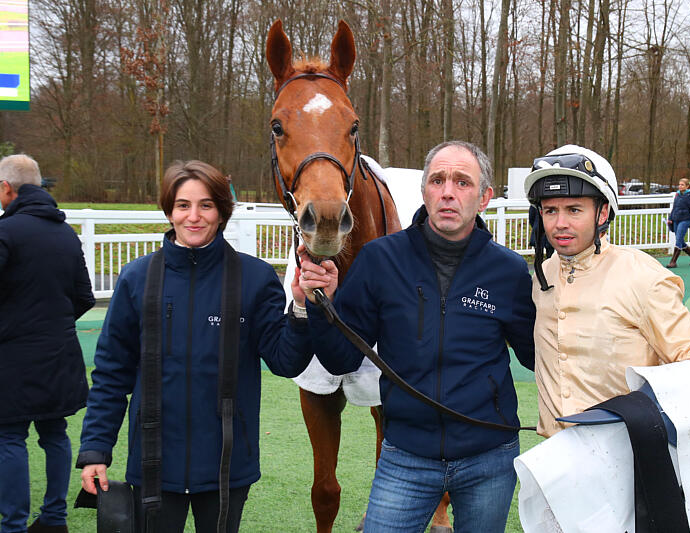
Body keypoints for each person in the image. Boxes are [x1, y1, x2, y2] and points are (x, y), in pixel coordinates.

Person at [297, 140, 535, 533]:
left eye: (462, 182)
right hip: (405, 456)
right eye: (438, 180)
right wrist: (323, 304)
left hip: (489, 458)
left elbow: (533, 354)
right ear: (424, 190)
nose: (447, 192)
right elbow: (341, 359)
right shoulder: (380, 260)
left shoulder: (508, 272)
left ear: (485, 197)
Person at [76, 160, 314, 532]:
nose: (194, 216)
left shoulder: (255, 278)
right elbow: (111, 374)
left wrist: (300, 306)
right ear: (169, 210)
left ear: (222, 211)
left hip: (228, 468)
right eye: (183, 205)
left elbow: (285, 361)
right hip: (154, 466)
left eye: (206, 205)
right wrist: (94, 450)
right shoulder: (136, 278)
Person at [524, 144, 690, 438]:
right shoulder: (543, 274)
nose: (560, 224)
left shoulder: (643, 277)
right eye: (550, 210)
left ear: (603, 212)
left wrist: (648, 419)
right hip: (554, 460)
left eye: (574, 210)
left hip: (628, 460)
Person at [0, 154, 95, 533]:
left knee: (9, 436)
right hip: (59, 350)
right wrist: (52, 324)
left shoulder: (6, 232)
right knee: (54, 433)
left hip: (13, 353)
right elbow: (85, 296)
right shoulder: (64, 233)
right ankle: (54, 518)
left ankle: (13, 526)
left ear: (7, 188)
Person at [666, 177, 690, 268]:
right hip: (676, 219)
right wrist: (670, 218)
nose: (680, 186)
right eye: (679, 184)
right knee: (680, 241)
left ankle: (673, 261)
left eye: (682, 185)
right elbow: (674, 208)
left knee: (679, 239)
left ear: (687, 186)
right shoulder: (677, 194)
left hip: (685, 220)